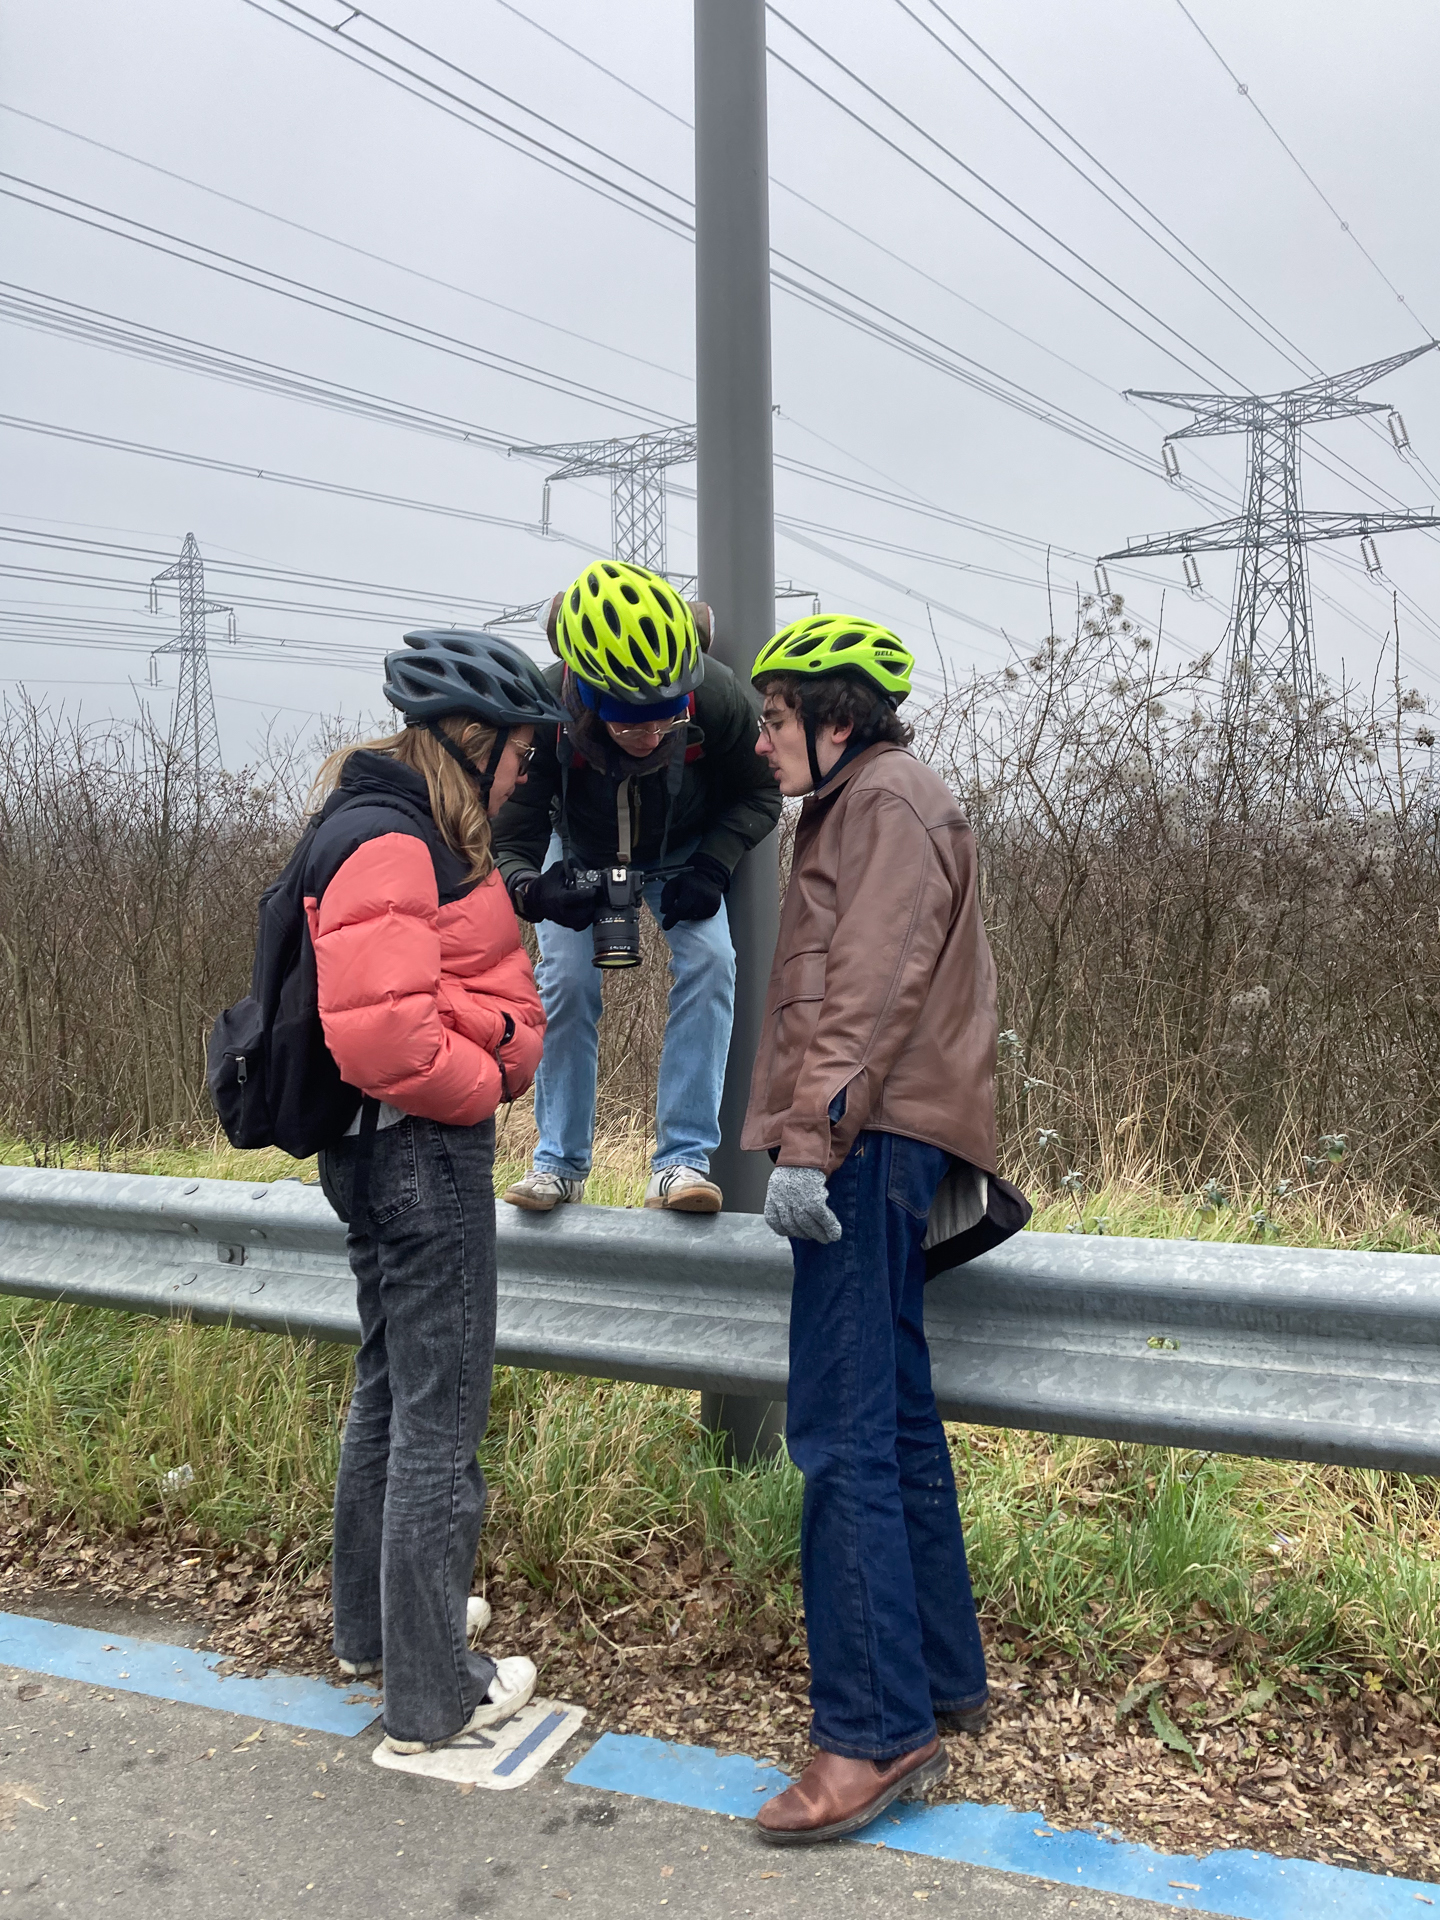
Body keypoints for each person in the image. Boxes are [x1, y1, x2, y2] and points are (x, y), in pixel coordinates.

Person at [740, 614, 1029, 1845]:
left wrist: (812, 1140)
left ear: (835, 717)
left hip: (862, 1146)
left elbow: (870, 983)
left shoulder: (884, 802)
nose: (759, 742)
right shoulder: (869, 799)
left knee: (840, 1436)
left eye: (773, 718)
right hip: (885, 1139)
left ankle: (870, 1728)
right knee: (897, 1420)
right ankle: (940, 1679)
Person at [306, 629, 568, 1756]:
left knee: (389, 1390)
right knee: (440, 1425)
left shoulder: (369, 824)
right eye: (517, 753)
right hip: (419, 1149)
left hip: (373, 1153)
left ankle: (378, 1632)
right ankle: (430, 1694)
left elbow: (400, 1008)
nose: (524, 775)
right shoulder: (392, 843)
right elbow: (388, 1038)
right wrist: (494, 1066)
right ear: (471, 741)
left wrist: (474, 1035)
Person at [491, 559, 781, 1214]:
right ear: (588, 703)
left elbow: (761, 792)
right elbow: (511, 838)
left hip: (683, 847)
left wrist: (714, 864)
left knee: (712, 962)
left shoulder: (716, 696)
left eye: (666, 722)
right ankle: (558, 1165)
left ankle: (680, 1165)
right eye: (631, 725)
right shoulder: (541, 709)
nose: (653, 737)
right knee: (566, 979)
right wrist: (535, 890)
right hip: (580, 847)